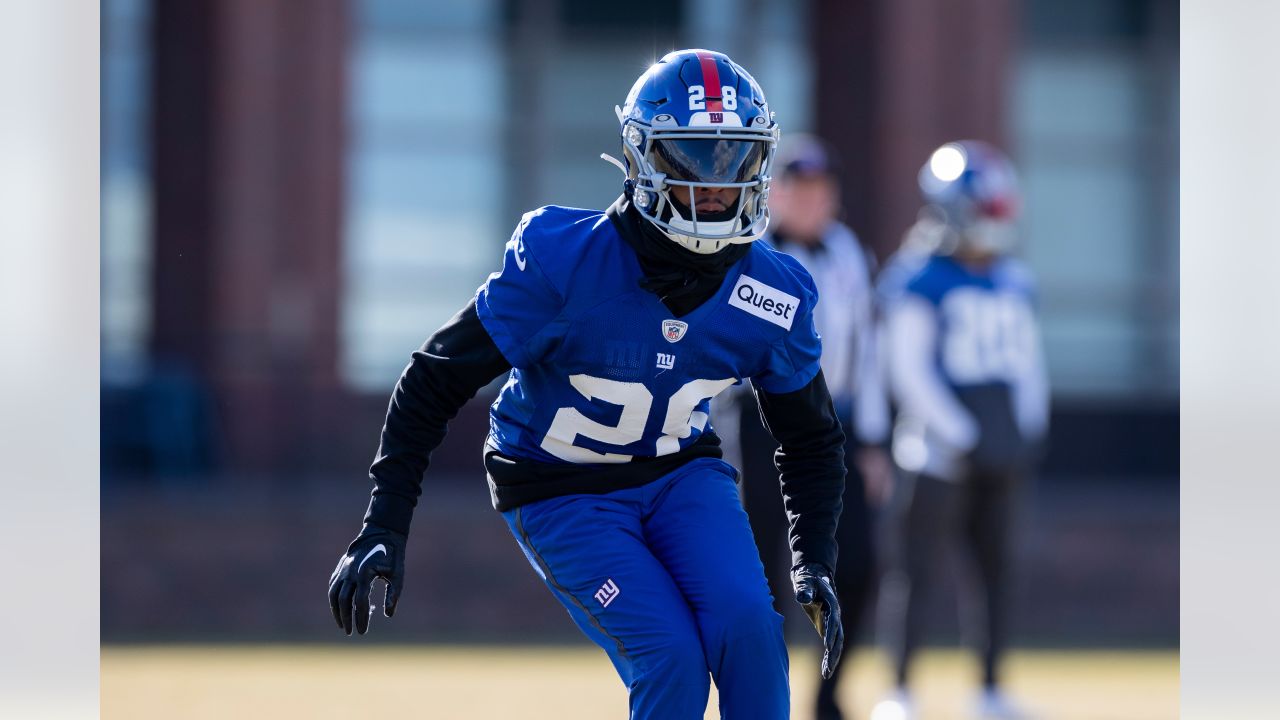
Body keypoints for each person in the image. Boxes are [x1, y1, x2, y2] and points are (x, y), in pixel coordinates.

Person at [327, 49, 850, 719]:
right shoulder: (565, 262)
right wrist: (384, 522)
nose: (716, 184)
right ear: (642, 159)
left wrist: (812, 557)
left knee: (751, 628)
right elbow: (434, 378)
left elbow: (810, 437)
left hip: (680, 475)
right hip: (559, 487)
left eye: (734, 158)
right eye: (697, 158)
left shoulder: (771, 292)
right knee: (671, 657)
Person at [871, 141, 1049, 720]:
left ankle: (991, 686)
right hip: (935, 454)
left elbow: (1026, 361)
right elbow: (909, 368)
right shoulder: (919, 276)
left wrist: (1026, 427)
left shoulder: (1012, 279)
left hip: (999, 449)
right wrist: (961, 432)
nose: (996, 223)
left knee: (996, 572)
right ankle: (898, 690)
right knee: (913, 575)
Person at [732, 135, 891, 720]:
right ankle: (757, 698)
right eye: (797, 188)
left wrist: (874, 442)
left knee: (857, 565)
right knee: (758, 570)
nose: (809, 201)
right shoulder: (745, 251)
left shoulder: (852, 254)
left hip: (836, 427)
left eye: (821, 190)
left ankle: (826, 695)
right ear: (773, 193)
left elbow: (869, 354)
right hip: (760, 423)